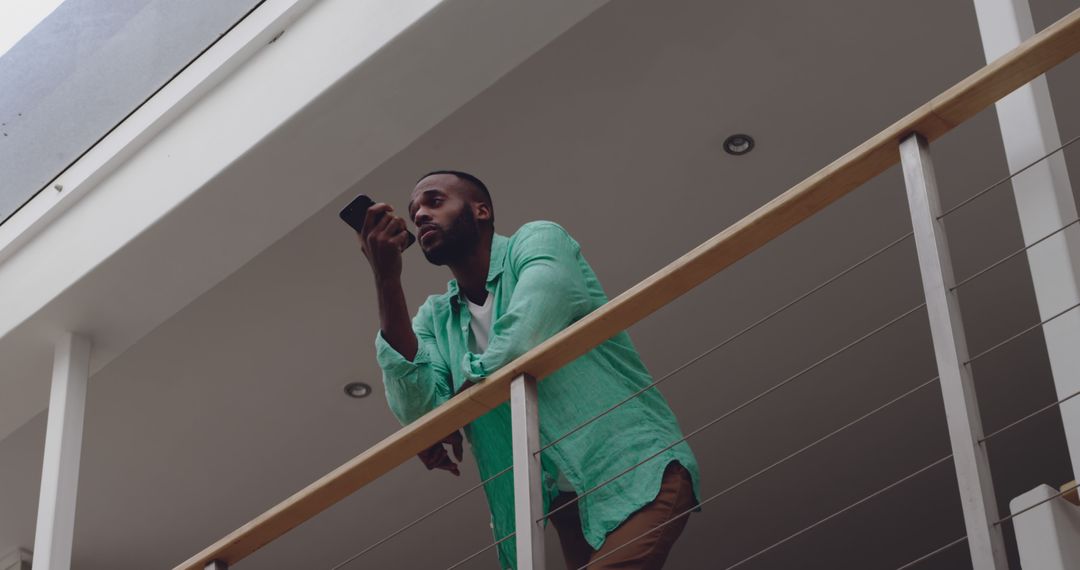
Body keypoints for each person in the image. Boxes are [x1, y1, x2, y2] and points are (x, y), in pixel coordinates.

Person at [358, 170, 700, 569]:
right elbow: (417, 412)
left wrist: (462, 402)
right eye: (415, 213)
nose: (420, 216)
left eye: (435, 202)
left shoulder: (538, 241)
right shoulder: (435, 319)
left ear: (480, 210)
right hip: (566, 512)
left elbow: (527, 331)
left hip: (639, 471)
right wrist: (386, 279)